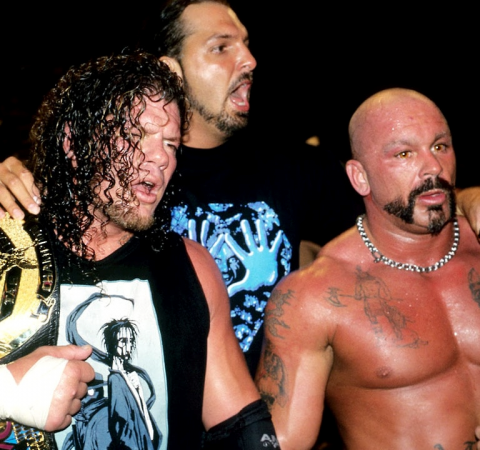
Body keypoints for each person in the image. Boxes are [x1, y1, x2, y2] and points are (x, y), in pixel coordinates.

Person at [0, 51, 279, 449]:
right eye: (134, 135)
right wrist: (7, 390)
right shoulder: (11, 252)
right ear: (73, 143)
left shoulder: (192, 267)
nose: (161, 157)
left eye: (171, 143)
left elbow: (241, 429)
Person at [255, 87, 480, 450]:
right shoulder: (315, 296)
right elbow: (276, 443)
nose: (433, 167)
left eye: (440, 146)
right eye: (404, 153)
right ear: (359, 177)